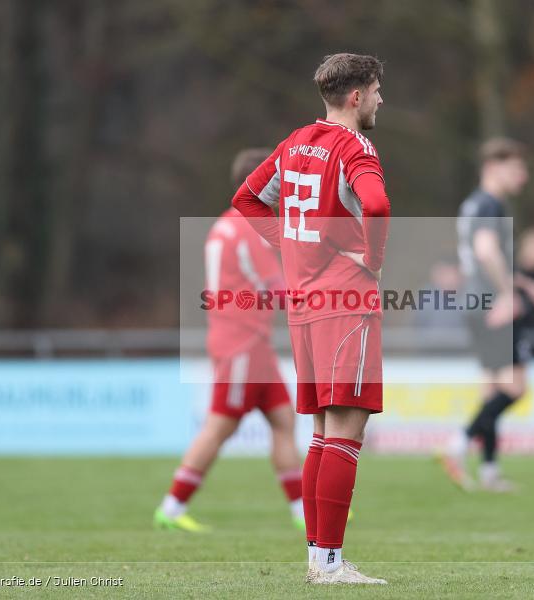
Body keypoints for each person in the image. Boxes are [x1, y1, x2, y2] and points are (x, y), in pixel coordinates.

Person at [232, 53, 390, 585]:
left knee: (324, 432)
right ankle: (330, 564)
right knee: (344, 431)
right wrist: (373, 259)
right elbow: (378, 205)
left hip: (304, 304)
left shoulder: (295, 141)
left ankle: (319, 562)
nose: (380, 100)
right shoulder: (356, 146)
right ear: (356, 97)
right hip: (345, 300)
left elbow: (246, 198)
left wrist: (291, 245)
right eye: (376, 91)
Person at [153, 149, 304, 533]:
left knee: (284, 420)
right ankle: (171, 507)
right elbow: (277, 289)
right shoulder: (248, 228)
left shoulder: (225, 224)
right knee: (220, 425)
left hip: (245, 340)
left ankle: (304, 512)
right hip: (243, 343)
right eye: (275, 181)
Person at [440, 138, 534, 492]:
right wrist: (508, 295)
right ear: (494, 167)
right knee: (515, 388)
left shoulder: (474, 204)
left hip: (476, 303)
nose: (522, 176)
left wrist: (528, 286)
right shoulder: (490, 204)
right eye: (517, 168)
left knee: (493, 388)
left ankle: (489, 470)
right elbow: (486, 250)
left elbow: (485, 258)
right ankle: (457, 445)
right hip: (494, 305)